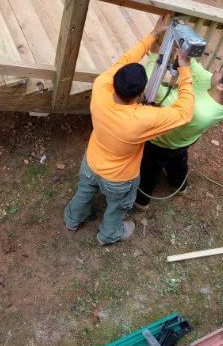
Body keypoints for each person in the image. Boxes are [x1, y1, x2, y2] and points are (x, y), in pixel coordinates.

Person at [64, 18, 194, 246]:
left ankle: (72, 219)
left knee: (83, 193)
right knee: (117, 207)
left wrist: (152, 34)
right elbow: (184, 112)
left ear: (116, 81)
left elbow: (126, 59)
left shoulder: (101, 85)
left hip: (91, 163)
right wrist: (184, 70)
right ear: (140, 93)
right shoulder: (143, 119)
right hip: (119, 179)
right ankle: (109, 234)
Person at [134, 51, 223, 210]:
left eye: (220, 69)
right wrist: (185, 58)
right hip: (184, 140)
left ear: (221, 86)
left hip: (161, 143)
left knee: (149, 170)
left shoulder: (198, 108)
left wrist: (155, 56)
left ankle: (142, 201)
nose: (215, 69)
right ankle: (180, 185)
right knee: (178, 163)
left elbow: (152, 89)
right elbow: (200, 73)